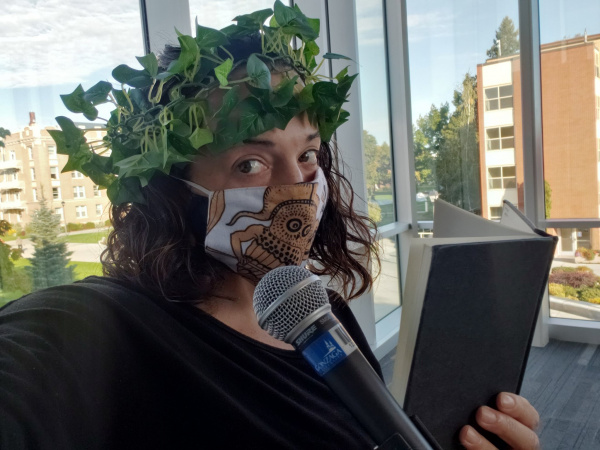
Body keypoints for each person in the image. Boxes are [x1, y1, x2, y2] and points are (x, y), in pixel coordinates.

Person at [0, 3, 540, 449]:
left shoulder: (315, 307)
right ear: (171, 186)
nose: (299, 185)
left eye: (308, 154)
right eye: (249, 164)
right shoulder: (107, 332)